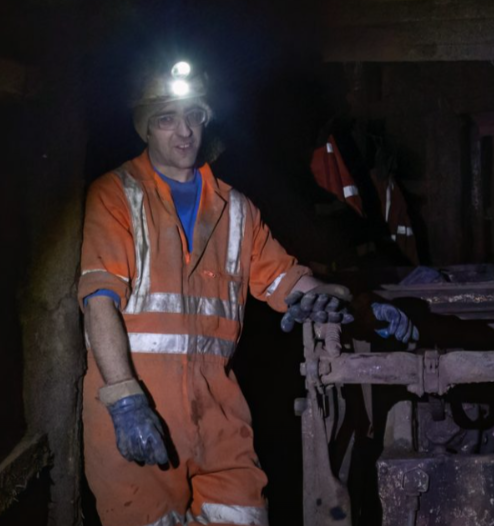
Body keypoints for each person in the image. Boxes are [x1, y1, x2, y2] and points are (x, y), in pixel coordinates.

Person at [78, 60, 416, 526]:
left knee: (245, 514)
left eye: (193, 116)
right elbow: (98, 301)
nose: (183, 132)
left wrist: (342, 301)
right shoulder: (116, 195)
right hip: (140, 409)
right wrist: (124, 399)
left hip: (219, 414)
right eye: (166, 119)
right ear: (146, 128)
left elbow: (285, 278)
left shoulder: (236, 208)